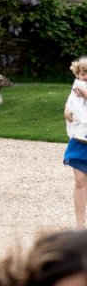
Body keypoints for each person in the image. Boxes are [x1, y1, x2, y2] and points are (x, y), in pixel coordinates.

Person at [64, 56, 87, 228]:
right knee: (79, 182)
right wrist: (66, 111)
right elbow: (70, 104)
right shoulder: (76, 88)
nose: (85, 76)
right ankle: (80, 226)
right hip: (80, 140)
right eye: (83, 73)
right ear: (77, 74)